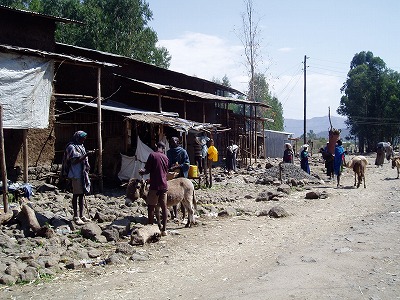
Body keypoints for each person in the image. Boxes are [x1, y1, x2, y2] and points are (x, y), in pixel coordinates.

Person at [62, 131, 95, 225]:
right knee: (76, 195)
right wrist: (87, 155)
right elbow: (74, 161)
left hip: (82, 173)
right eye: (82, 139)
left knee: (81, 195)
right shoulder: (71, 147)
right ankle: (76, 216)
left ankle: (82, 215)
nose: (83, 141)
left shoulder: (81, 146)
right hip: (75, 174)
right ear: (77, 138)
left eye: (84, 139)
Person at [139, 142, 169, 236]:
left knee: (151, 206)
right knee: (164, 207)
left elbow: (147, 169)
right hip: (164, 185)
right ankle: (164, 229)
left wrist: (142, 172)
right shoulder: (165, 157)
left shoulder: (152, 155)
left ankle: (151, 227)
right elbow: (164, 171)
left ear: (156, 146)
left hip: (155, 185)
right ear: (163, 149)